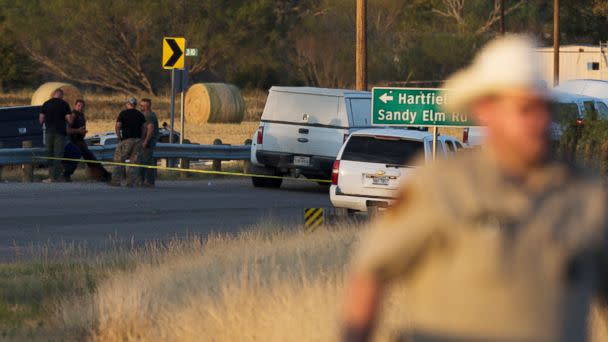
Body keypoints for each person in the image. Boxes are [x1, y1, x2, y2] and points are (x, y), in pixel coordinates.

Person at [342, 35, 608, 342]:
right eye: (524, 110)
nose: (539, 122)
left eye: (544, 109)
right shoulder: (440, 185)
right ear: (487, 111)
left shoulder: (586, 196)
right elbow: (371, 272)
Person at [67, 99, 111, 182]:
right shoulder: (73, 114)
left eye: (82, 106)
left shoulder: (81, 115)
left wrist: (83, 132)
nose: (80, 107)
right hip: (74, 141)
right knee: (81, 158)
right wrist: (78, 131)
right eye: (78, 105)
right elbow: (68, 129)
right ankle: (104, 175)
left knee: (90, 158)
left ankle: (102, 175)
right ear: (75, 106)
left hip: (80, 140)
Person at [110, 98, 146, 187]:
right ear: (135, 105)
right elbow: (144, 128)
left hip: (126, 140)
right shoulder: (140, 114)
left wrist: (119, 137)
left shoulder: (123, 113)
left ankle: (116, 181)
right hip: (137, 140)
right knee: (134, 162)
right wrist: (141, 138)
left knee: (119, 160)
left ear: (128, 104)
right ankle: (131, 183)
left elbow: (118, 126)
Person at [39, 89, 72, 182]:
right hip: (60, 132)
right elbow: (69, 120)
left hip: (49, 131)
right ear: (61, 95)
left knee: (49, 153)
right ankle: (55, 177)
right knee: (58, 154)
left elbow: (41, 120)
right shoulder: (64, 104)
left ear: (53, 95)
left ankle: (50, 176)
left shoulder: (46, 104)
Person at [139, 98, 159, 187]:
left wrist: (145, 141)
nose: (140, 107)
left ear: (146, 106)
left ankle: (149, 182)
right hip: (148, 141)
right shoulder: (149, 114)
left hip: (148, 142)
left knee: (146, 161)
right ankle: (144, 181)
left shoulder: (148, 116)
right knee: (145, 161)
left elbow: (150, 129)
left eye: (142, 106)